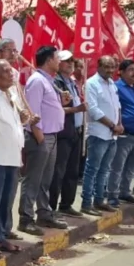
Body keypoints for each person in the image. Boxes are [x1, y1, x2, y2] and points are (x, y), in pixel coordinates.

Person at [0, 60, 30, 259]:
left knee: (6, 203)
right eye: (6, 72)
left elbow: (15, 124)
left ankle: (0, 237)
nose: (12, 75)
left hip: (12, 158)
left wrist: (24, 118)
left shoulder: (10, 94)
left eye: (11, 71)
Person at [19, 46, 68, 234]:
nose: (60, 62)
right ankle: (26, 218)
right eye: (57, 58)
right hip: (40, 137)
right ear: (48, 60)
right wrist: (39, 138)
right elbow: (33, 111)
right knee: (32, 179)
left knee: (45, 180)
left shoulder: (49, 81)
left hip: (51, 136)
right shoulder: (37, 81)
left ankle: (44, 213)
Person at [106, 60, 134, 207]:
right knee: (117, 167)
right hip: (125, 134)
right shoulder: (116, 87)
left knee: (131, 166)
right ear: (121, 72)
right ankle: (112, 194)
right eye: (131, 70)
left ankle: (125, 192)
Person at [82, 56, 121, 214]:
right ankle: (86, 203)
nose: (110, 70)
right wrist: (112, 125)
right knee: (92, 169)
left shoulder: (112, 84)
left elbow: (117, 106)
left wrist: (119, 124)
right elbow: (93, 109)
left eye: (112, 67)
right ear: (98, 66)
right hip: (98, 133)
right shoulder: (91, 83)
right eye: (107, 66)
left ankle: (99, 200)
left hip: (112, 135)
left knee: (105, 170)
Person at [50, 51, 85, 217]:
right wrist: (76, 109)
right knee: (58, 172)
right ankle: (50, 207)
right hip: (63, 132)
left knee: (72, 170)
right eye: (66, 61)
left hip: (75, 131)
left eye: (72, 60)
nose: (71, 63)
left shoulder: (72, 82)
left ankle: (66, 204)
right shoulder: (55, 82)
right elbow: (55, 109)